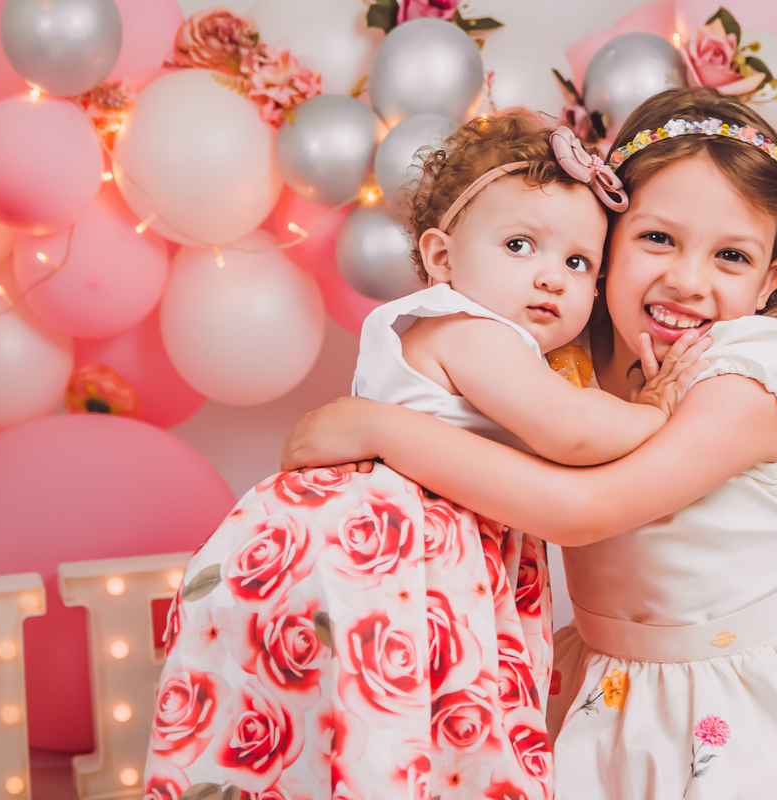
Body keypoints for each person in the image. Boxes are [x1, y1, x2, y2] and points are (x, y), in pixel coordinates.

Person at [281, 87, 777, 799]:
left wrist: (381, 428)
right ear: (607, 242)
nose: (688, 280)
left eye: (731, 256)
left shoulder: (751, 373)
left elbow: (584, 511)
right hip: (610, 686)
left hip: (749, 686)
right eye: (657, 238)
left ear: (769, 279)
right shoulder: (560, 353)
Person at [142, 111, 712, 800]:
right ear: (442, 258)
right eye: (520, 245)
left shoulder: (499, 343)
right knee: (400, 708)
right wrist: (656, 409)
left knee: (356, 718)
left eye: (578, 262)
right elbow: (572, 433)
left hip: (393, 549)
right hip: (390, 553)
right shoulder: (471, 331)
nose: (552, 278)